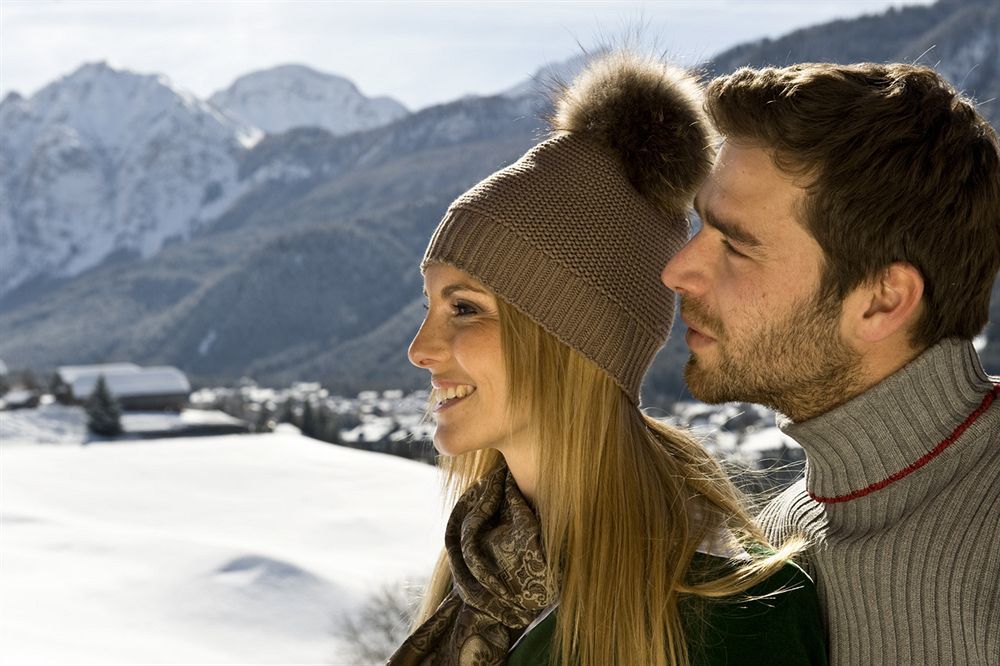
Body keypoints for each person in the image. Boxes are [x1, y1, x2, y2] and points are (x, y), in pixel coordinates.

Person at [388, 52, 826, 666]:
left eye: (464, 309)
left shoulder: (732, 612)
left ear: (571, 339)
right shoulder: (482, 567)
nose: (419, 350)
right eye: (429, 305)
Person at [660, 61, 1000, 665]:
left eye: (735, 244)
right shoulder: (781, 530)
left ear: (882, 300)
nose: (678, 271)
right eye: (699, 226)